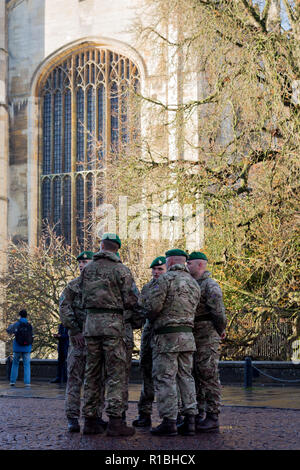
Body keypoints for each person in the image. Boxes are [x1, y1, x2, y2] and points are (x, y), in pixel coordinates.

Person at [80, 232, 139, 436]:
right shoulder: (121, 270)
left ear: (101, 246)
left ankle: (90, 421)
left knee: (92, 374)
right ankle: (115, 422)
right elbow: (131, 299)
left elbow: (80, 297)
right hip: (113, 326)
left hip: (91, 326)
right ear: (117, 248)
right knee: (116, 373)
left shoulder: (87, 270)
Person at [146, 249, 201, 436]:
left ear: (169, 262)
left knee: (165, 378)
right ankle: (191, 420)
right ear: (184, 263)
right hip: (188, 338)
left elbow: (153, 308)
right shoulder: (194, 283)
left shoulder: (164, 280)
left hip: (166, 338)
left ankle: (169, 421)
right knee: (186, 377)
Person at [59, 250, 107, 433]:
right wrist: (75, 330)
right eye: (80, 263)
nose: (82, 265)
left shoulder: (101, 287)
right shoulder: (73, 286)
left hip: (97, 341)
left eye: (86, 262)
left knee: (96, 381)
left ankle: (94, 416)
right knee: (74, 380)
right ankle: (72, 418)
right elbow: (64, 308)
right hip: (79, 342)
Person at [187, 251, 227, 432]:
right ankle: (197, 412)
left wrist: (220, 329)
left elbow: (218, 311)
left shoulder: (210, 285)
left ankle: (212, 415)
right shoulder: (191, 284)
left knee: (208, 374)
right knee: (194, 374)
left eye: (190, 264)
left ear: (200, 265)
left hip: (206, 334)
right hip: (193, 334)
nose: (187, 266)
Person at [132, 256, 167, 428]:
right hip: (148, 334)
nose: (156, 272)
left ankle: (170, 416)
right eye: (154, 269)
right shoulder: (147, 287)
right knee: (146, 372)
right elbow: (140, 308)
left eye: (160, 269)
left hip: (164, 335)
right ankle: (144, 414)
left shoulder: (170, 286)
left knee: (165, 376)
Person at [6, 309, 33, 387]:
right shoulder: (29, 325)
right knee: (27, 365)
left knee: (15, 364)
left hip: (17, 347)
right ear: (26, 316)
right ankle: (27, 382)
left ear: (20, 315)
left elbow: (8, 330)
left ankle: (12, 381)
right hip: (27, 347)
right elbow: (32, 335)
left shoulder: (16, 324)